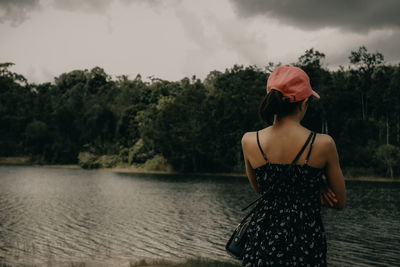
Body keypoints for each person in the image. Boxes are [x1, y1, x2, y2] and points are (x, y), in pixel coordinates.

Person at [240, 65, 346, 266]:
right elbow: (339, 202)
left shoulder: (249, 141)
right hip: (305, 241)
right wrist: (318, 183)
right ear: (304, 101)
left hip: (262, 241)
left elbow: (261, 190)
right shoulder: (323, 144)